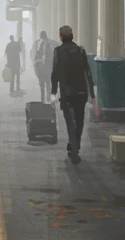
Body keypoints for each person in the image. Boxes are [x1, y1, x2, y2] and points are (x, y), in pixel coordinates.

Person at [50, 25, 95, 162]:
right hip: (81, 92)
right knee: (80, 121)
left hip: (67, 93)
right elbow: (88, 72)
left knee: (70, 122)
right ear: (72, 36)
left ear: (61, 37)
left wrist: (53, 91)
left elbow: (55, 73)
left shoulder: (58, 51)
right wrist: (92, 94)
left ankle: (74, 148)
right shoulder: (80, 51)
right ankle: (75, 146)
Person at [33, 30, 54, 103]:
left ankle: (44, 100)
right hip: (45, 69)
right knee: (47, 85)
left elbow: (36, 59)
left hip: (43, 69)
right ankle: (47, 99)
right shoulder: (45, 44)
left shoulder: (43, 44)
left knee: (44, 85)